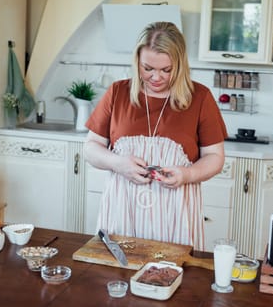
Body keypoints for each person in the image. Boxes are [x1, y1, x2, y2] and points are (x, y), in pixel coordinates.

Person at [83, 22, 227, 250]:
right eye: (147, 68)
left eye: (166, 70)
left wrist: (187, 174)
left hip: (176, 216)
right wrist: (118, 163)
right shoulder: (118, 93)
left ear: (179, 65)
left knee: (176, 277)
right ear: (137, 61)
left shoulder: (199, 98)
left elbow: (215, 157)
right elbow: (91, 147)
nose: (156, 77)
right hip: (122, 213)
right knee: (116, 277)